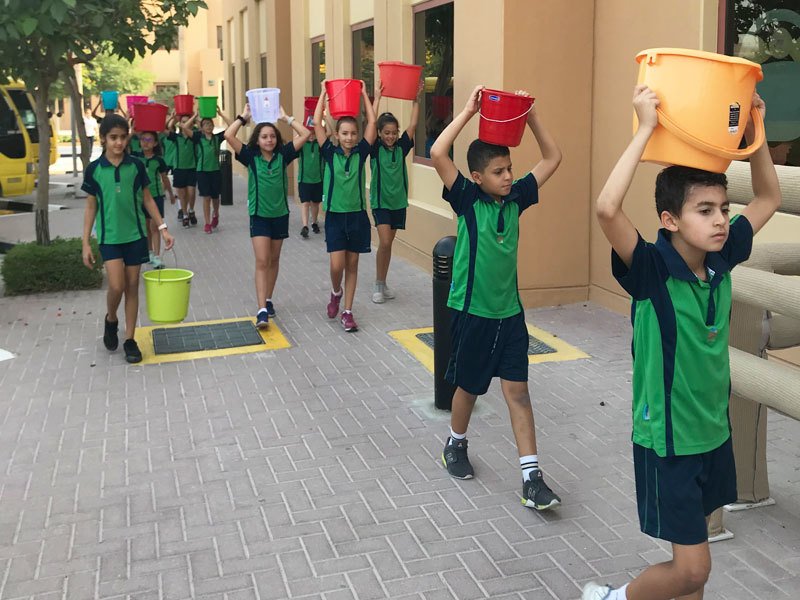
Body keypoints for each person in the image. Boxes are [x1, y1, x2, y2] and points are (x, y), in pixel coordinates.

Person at [582, 87, 781, 600]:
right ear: (670, 221)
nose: (720, 220)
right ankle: (612, 599)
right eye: (705, 210)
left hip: (713, 434)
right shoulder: (650, 269)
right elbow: (607, 208)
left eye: (722, 208)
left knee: (685, 564)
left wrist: (755, 132)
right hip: (667, 443)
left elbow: (768, 198)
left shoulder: (723, 254)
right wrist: (645, 126)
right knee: (693, 571)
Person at [429, 86, 563, 511]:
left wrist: (531, 115)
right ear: (477, 177)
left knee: (518, 392)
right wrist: (468, 111)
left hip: (510, 316)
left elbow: (553, 158)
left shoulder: (517, 198)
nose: (508, 177)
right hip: (472, 314)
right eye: (499, 172)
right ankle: (455, 442)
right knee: (469, 388)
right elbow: (437, 152)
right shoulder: (467, 201)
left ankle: (531, 478)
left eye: (510, 169)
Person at [81, 114, 175, 363]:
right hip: (109, 238)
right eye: (113, 138)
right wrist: (85, 243)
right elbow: (91, 208)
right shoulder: (94, 170)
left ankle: (130, 339)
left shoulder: (136, 166)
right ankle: (111, 318)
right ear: (103, 139)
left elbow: (147, 199)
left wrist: (163, 227)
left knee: (132, 286)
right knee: (116, 286)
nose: (118, 143)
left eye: (123, 137)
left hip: (135, 235)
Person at [224, 103, 311, 328]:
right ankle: (262, 309)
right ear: (258, 139)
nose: (269, 140)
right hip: (259, 216)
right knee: (262, 261)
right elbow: (228, 134)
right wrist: (243, 117)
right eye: (264, 137)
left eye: (272, 136)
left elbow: (306, 134)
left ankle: (269, 299)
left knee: (273, 260)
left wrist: (285, 118)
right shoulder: (250, 157)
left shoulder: (284, 155)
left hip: (280, 214)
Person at [313, 80, 377, 332]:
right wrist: (323, 93)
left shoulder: (361, 153)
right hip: (335, 217)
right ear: (337, 136)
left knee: (353, 265)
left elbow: (372, 123)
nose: (349, 137)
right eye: (345, 133)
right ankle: (335, 292)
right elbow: (317, 121)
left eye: (353, 133)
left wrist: (363, 93)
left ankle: (348, 311)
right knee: (336, 265)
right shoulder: (329, 152)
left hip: (358, 217)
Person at [369, 81, 420, 303]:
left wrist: (416, 100)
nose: (390, 136)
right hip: (381, 203)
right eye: (386, 132)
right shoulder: (374, 148)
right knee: (385, 243)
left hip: (398, 203)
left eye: (393, 132)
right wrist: (377, 98)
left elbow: (413, 125)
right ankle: (378, 285)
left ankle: (383, 282)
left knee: (388, 245)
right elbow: (371, 122)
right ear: (379, 133)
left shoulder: (402, 147)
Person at [179, 107, 232, 233]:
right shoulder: (198, 137)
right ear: (201, 128)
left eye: (210, 124)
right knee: (206, 197)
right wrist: (195, 115)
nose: (208, 126)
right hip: (202, 172)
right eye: (205, 124)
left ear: (213, 126)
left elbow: (232, 126)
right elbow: (185, 127)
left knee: (215, 197)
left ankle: (216, 214)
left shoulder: (217, 138)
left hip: (215, 171)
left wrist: (221, 114)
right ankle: (207, 223)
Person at [135, 131, 176, 268]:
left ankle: (157, 256)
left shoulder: (159, 160)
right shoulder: (135, 158)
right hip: (141, 197)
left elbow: (164, 178)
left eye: (149, 139)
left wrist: (170, 193)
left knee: (155, 226)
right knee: (146, 227)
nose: (146, 142)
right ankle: (150, 253)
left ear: (155, 143)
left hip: (156, 196)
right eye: (143, 139)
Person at [297, 118, 325, 238]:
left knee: (315, 204)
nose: (311, 137)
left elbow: (327, 133)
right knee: (305, 203)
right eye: (309, 134)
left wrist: (323, 119)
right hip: (304, 179)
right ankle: (305, 226)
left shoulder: (320, 145)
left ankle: (314, 222)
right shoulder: (301, 145)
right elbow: (294, 140)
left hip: (318, 179)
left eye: (314, 134)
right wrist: (301, 133)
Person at [169, 113, 198, 228]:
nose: (186, 123)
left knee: (191, 192)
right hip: (179, 168)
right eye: (184, 121)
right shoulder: (177, 137)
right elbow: (164, 129)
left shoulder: (194, 137)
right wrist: (172, 118)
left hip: (191, 167)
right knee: (182, 194)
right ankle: (185, 214)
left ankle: (191, 210)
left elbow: (201, 127)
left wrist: (196, 116)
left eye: (188, 121)